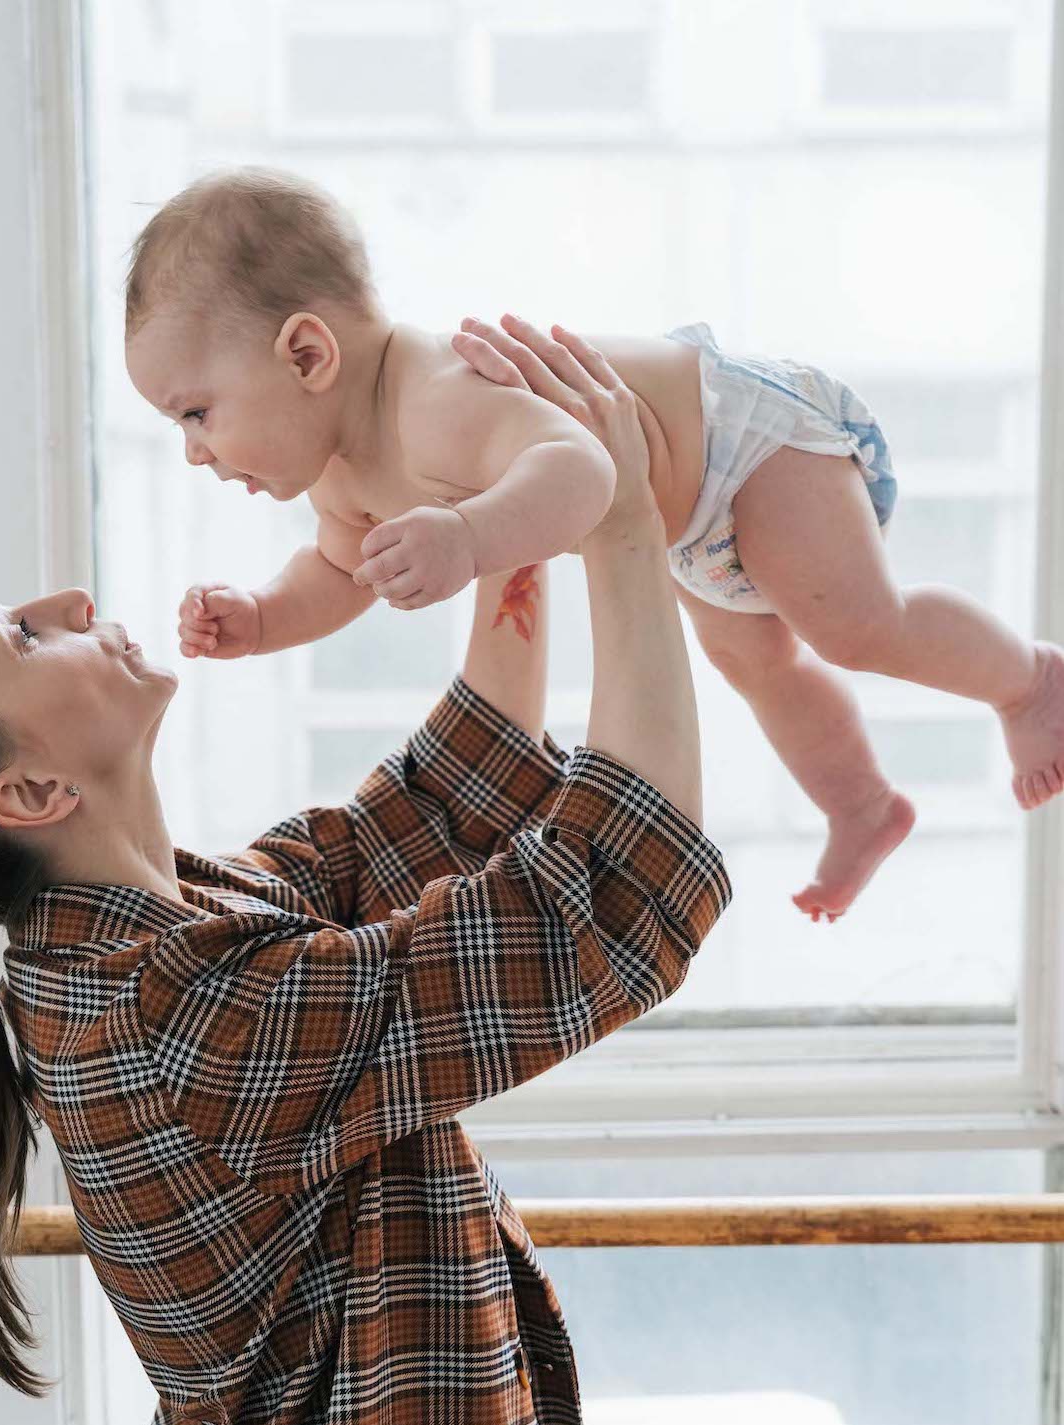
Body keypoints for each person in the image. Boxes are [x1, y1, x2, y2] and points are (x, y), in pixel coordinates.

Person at [0, 323, 727, 1425]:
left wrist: (510, 509)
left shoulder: (164, 931)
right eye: (21, 637)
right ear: (31, 789)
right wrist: (622, 530)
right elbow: (612, 896)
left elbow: (432, 813)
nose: (71, 601)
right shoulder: (180, 1017)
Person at [124, 165, 1064, 924]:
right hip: (689, 528)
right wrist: (262, 617)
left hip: (749, 443)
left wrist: (468, 533)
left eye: (196, 413)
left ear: (306, 355)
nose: (195, 451)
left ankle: (1027, 681)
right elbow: (337, 574)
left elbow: (582, 471)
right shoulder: (340, 473)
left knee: (854, 628)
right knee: (756, 662)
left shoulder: (439, 397)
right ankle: (860, 802)